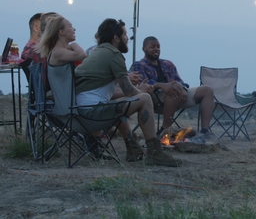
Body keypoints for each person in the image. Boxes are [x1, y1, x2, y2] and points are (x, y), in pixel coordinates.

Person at [73, 18, 181, 166]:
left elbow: (111, 93)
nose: (127, 38)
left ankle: (133, 149)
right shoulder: (113, 54)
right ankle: (154, 152)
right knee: (144, 98)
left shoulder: (98, 53)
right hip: (91, 115)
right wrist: (141, 90)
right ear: (116, 38)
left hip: (80, 113)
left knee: (120, 106)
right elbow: (130, 92)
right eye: (124, 34)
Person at [130, 36, 216, 143]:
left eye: (158, 47)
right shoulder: (139, 65)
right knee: (174, 87)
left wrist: (184, 88)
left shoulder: (168, 64)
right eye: (152, 47)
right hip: (154, 99)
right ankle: (165, 129)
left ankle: (204, 132)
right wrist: (162, 85)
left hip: (177, 94)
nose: (156, 49)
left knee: (207, 90)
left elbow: (180, 81)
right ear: (144, 49)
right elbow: (142, 84)